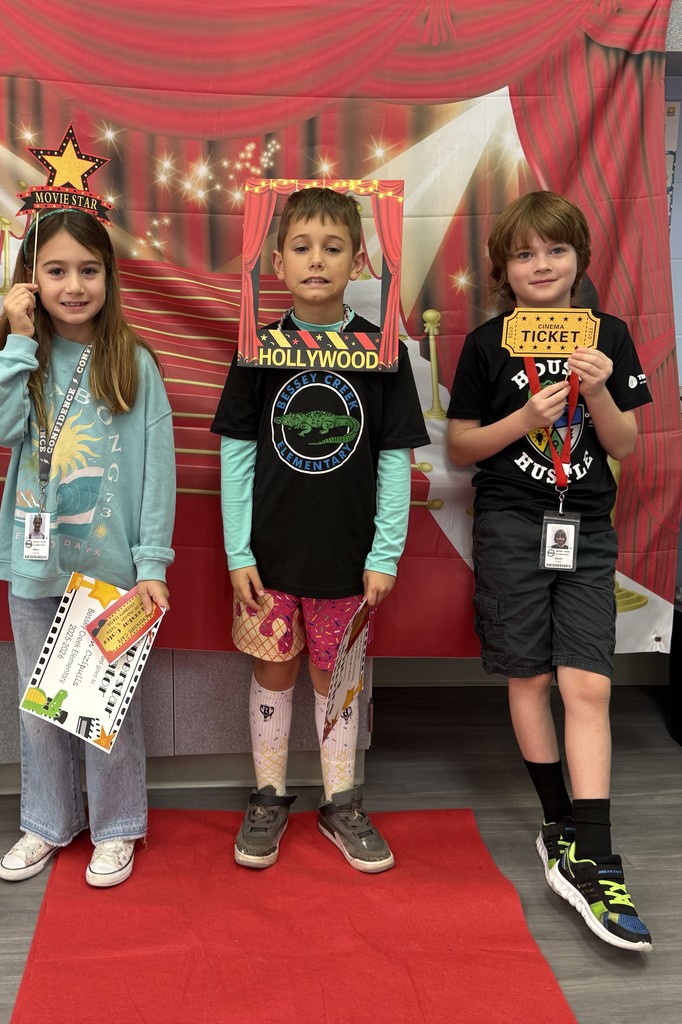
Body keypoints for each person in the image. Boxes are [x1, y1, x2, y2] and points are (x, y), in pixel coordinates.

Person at [446, 190, 653, 951]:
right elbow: (462, 446)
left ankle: (597, 854)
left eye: (556, 251)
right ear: (503, 268)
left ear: (579, 261)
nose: (542, 265)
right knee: (530, 678)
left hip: (586, 527)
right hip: (510, 525)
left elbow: (625, 445)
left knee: (588, 682)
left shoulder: (610, 337)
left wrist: (597, 389)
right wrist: (525, 420)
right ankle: (558, 824)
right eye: (526, 253)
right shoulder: (486, 343)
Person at [211, 187, 428, 871]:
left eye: (333, 248)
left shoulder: (381, 351)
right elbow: (235, 457)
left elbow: (395, 462)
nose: (317, 261)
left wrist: (385, 553)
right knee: (274, 674)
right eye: (302, 247)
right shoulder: (258, 348)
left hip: (347, 560)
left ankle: (341, 801)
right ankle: (270, 795)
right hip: (269, 561)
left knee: (338, 680)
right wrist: (237, 550)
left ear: (359, 259)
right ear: (276, 260)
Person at [0, 208, 175, 889]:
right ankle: (46, 821)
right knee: (41, 709)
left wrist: (152, 567)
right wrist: (19, 340)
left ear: (109, 278)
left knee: (103, 709)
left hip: (111, 574)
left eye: (88, 270)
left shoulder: (134, 363)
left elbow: (156, 477)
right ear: (31, 283)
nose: (74, 285)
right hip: (34, 569)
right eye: (55, 271)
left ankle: (116, 826)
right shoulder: (22, 359)